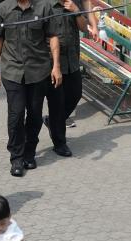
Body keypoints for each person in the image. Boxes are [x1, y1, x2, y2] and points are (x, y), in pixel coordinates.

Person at [0, 0, 62, 176]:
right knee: (16, 115)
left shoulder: (44, 7)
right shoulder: (3, 8)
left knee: (35, 115)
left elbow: (53, 36)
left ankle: (30, 153)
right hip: (12, 71)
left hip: (38, 71)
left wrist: (56, 66)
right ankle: (16, 157)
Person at [43, 0, 92, 157]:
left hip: (72, 59)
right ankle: (59, 143)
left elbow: (84, 28)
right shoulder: (45, 5)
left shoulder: (73, 3)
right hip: (53, 62)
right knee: (57, 102)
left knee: (76, 93)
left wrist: (76, 10)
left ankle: (53, 122)